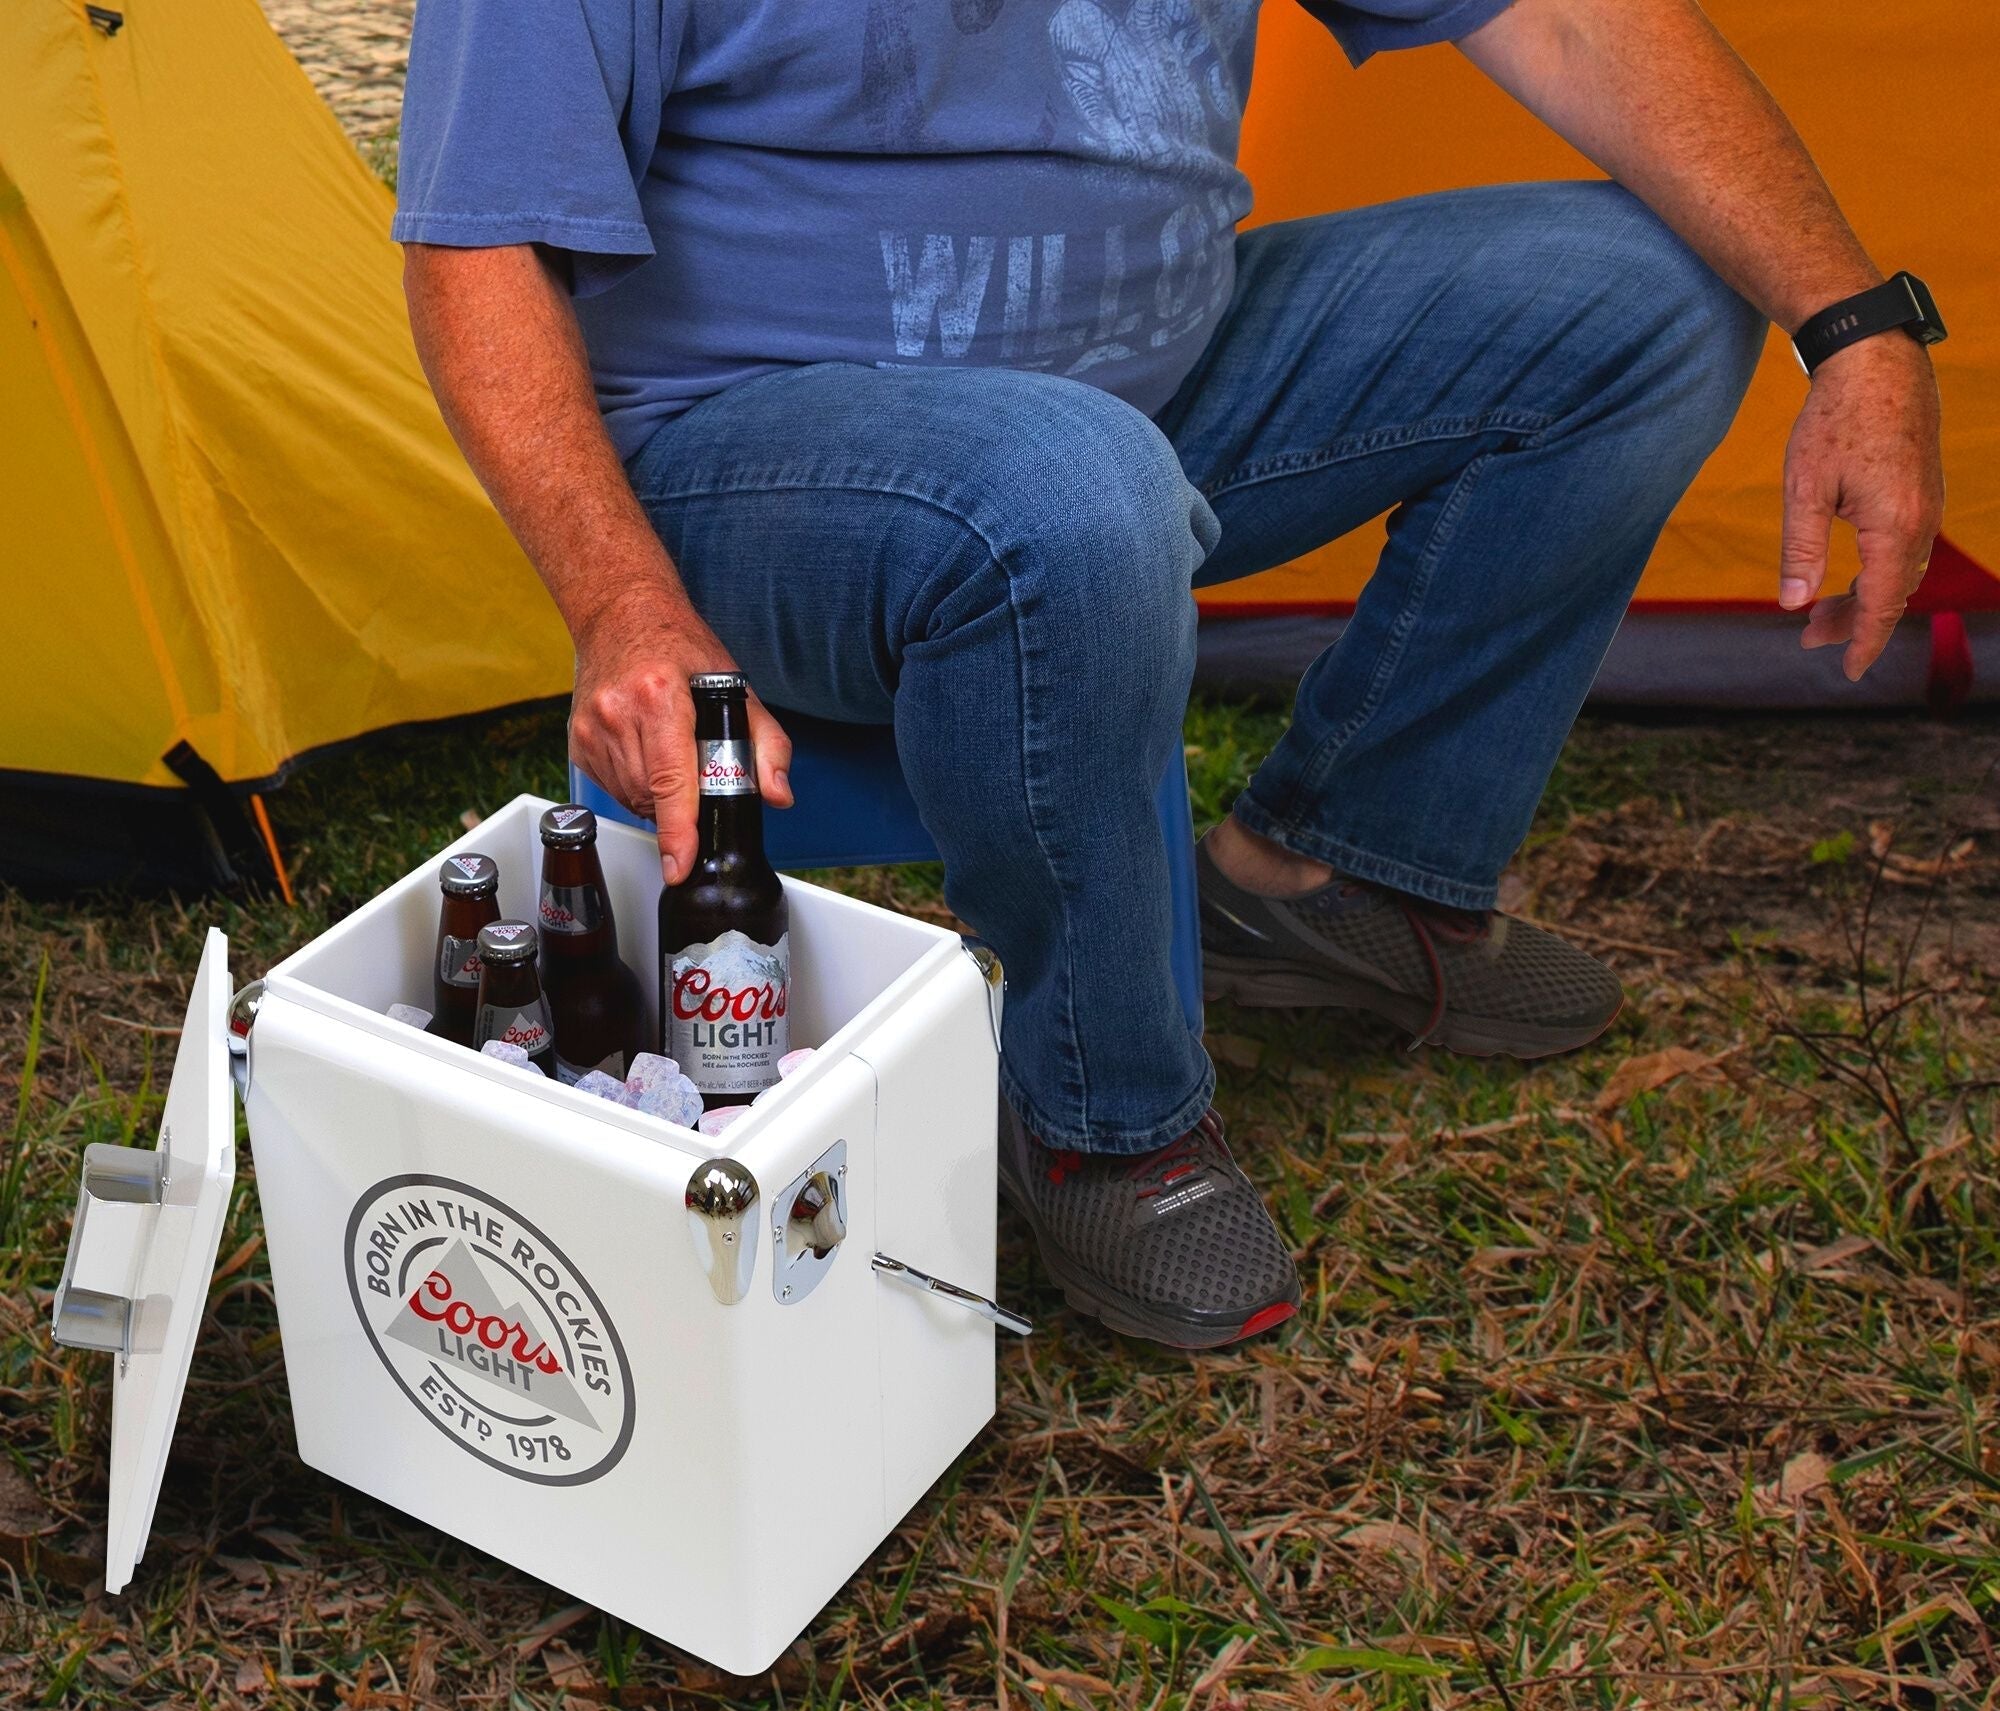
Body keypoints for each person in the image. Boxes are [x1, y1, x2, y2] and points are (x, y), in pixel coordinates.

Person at [393, 0, 1945, 1351]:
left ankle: (1334, 875)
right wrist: (623, 603)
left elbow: (1568, 16)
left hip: (1155, 384)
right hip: (752, 458)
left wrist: (1856, 324)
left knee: (1640, 302)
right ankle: (1102, 1117)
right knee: (1074, 490)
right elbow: (476, 248)